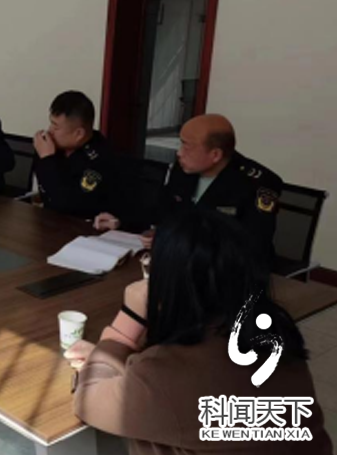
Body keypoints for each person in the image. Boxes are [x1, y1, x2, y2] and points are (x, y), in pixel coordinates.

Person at [66, 210, 332, 454]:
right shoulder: (279, 340)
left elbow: (88, 400)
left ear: (167, 279)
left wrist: (124, 328)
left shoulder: (167, 375)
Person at [95, 114, 282, 264]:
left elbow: (252, 246)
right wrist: (121, 221)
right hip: (180, 265)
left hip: (231, 275)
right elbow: (161, 211)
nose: (179, 153)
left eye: (187, 146)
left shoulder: (258, 184)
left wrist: (175, 241)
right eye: (180, 143)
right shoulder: (184, 170)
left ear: (215, 155)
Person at [33, 91, 126, 218]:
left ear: (79, 134)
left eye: (56, 127)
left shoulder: (101, 158)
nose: (50, 131)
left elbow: (67, 204)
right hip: (48, 220)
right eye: (51, 123)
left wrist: (48, 160)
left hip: (82, 225)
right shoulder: (54, 147)